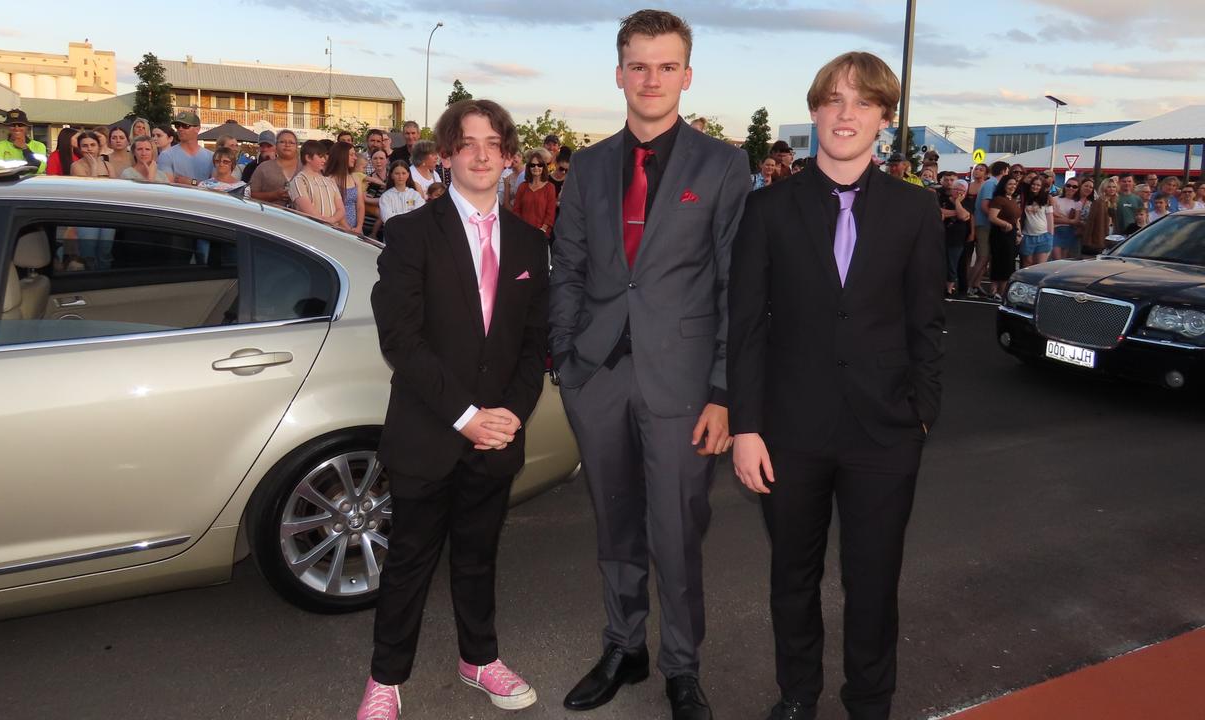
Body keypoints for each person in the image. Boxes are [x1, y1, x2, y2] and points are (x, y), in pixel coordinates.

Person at [729, 50, 945, 720]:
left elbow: (927, 323)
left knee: (873, 581)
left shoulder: (916, 211)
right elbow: (745, 328)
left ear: (884, 116)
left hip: (884, 432)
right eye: (833, 99)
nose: (845, 113)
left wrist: (921, 415)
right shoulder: (766, 209)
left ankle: (870, 702)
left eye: (862, 101)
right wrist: (746, 427)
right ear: (816, 110)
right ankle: (797, 694)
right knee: (792, 576)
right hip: (789, 431)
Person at [550, 11, 751, 720]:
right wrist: (568, 357)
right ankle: (623, 646)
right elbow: (567, 266)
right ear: (619, 74)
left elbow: (735, 284)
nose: (652, 79)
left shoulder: (723, 165)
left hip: (685, 384)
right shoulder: (589, 164)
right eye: (639, 65)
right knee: (615, 525)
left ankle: (683, 667)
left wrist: (725, 390)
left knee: (676, 531)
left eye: (667, 66)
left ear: (686, 77)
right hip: (598, 378)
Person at [357, 98, 549, 720]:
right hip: (430, 433)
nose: (482, 153)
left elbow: (532, 344)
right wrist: (465, 414)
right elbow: (401, 341)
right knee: (408, 561)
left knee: (478, 554)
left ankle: (479, 659)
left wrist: (512, 414)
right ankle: (386, 679)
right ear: (445, 156)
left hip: (496, 437)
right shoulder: (412, 232)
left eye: (494, 143)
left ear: (511, 157)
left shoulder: (528, 243)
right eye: (467, 143)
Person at [968, 161, 1008, 298]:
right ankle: (969, 287)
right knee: (983, 257)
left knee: (986, 257)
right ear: (1003, 171)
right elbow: (985, 206)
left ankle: (976, 285)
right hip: (984, 224)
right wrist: (996, 219)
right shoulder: (991, 184)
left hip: (987, 225)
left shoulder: (992, 184)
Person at [287, 140, 346, 228]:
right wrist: (326, 223)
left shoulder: (330, 181)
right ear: (308, 158)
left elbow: (341, 209)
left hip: (333, 231)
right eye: (320, 156)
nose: (324, 160)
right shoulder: (299, 181)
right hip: (312, 231)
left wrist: (332, 220)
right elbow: (308, 210)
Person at [987, 175, 1022, 300]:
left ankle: (1002, 291)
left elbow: (1017, 219)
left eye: (1014, 184)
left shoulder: (1012, 200)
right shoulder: (998, 199)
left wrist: (1018, 233)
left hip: (1011, 234)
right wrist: (1006, 224)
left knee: (1008, 263)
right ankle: (995, 290)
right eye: (1010, 184)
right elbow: (992, 217)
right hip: (1000, 234)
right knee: (1000, 262)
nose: (1013, 186)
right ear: (1004, 185)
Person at [156, 112, 214, 186]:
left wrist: (192, 182)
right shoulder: (166, 155)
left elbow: (216, 186)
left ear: (197, 129)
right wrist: (201, 183)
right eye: (177, 126)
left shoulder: (211, 157)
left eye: (185, 126)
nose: (180, 129)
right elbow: (167, 186)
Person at [248, 130, 301, 205]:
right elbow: (250, 194)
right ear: (276, 145)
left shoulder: (305, 167)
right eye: (282, 142)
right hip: (270, 214)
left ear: (296, 146)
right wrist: (273, 195)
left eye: (291, 142)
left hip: (301, 215)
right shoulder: (263, 167)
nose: (287, 145)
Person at [512, 148, 556, 236]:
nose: (536, 167)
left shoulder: (550, 188)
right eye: (533, 165)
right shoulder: (523, 187)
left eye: (539, 165)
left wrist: (542, 231)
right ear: (529, 167)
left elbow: (550, 214)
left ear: (543, 167)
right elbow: (516, 210)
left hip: (541, 235)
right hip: (522, 233)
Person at [0, 109, 48, 173]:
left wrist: (25, 148)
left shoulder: (39, 146)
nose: (16, 128)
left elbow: (39, 169)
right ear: (7, 127)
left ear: (26, 127)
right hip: (9, 182)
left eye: (20, 125)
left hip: (32, 182)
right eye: (12, 125)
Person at [325, 140, 365, 233]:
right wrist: (348, 228)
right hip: (339, 228)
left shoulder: (355, 177)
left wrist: (359, 226)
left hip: (357, 229)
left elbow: (360, 205)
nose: (355, 158)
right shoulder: (329, 180)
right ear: (341, 156)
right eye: (351, 155)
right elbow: (335, 208)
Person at [941, 179, 973, 296]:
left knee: (952, 263)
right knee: (940, 261)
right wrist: (959, 213)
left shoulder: (968, 202)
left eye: (962, 190)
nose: (959, 192)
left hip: (957, 238)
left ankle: (949, 288)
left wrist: (958, 202)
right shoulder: (943, 199)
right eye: (956, 189)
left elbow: (965, 216)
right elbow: (939, 211)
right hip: (942, 235)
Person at [376, 160, 425, 232]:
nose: (400, 176)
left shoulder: (415, 195)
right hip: (393, 236)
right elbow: (387, 219)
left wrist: (396, 215)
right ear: (392, 175)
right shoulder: (386, 196)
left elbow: (420, 215)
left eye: (404, 173)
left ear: (408, 174)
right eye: (397, 173)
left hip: (413, 234)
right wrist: (410, 213)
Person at [1020, 175, 1054, 267]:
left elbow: (1050, 219)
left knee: (1040, 266)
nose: (1035, 187)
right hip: (1027, 236)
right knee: (1027, 263)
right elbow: (1022, 184)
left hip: (1043, 236)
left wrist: (1050, 235)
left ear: (1042, 187)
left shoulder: (1046, 199)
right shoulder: (1025, 198)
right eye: (1033, 184)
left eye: (1038, 185)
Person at [1051, 177, 1083, 259]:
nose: (1071, 188)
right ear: (1065, 186)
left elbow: (1076, 221)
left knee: (1064, 259)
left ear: (1078, 189)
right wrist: (1069, 220)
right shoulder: (1055, 199)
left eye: (1074, 187)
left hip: (1069, 232)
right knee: (1056, 259)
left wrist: (1060, 218)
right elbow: (1051, 219)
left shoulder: (1078, 203)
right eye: (1068, 185)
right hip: (1055, 231)